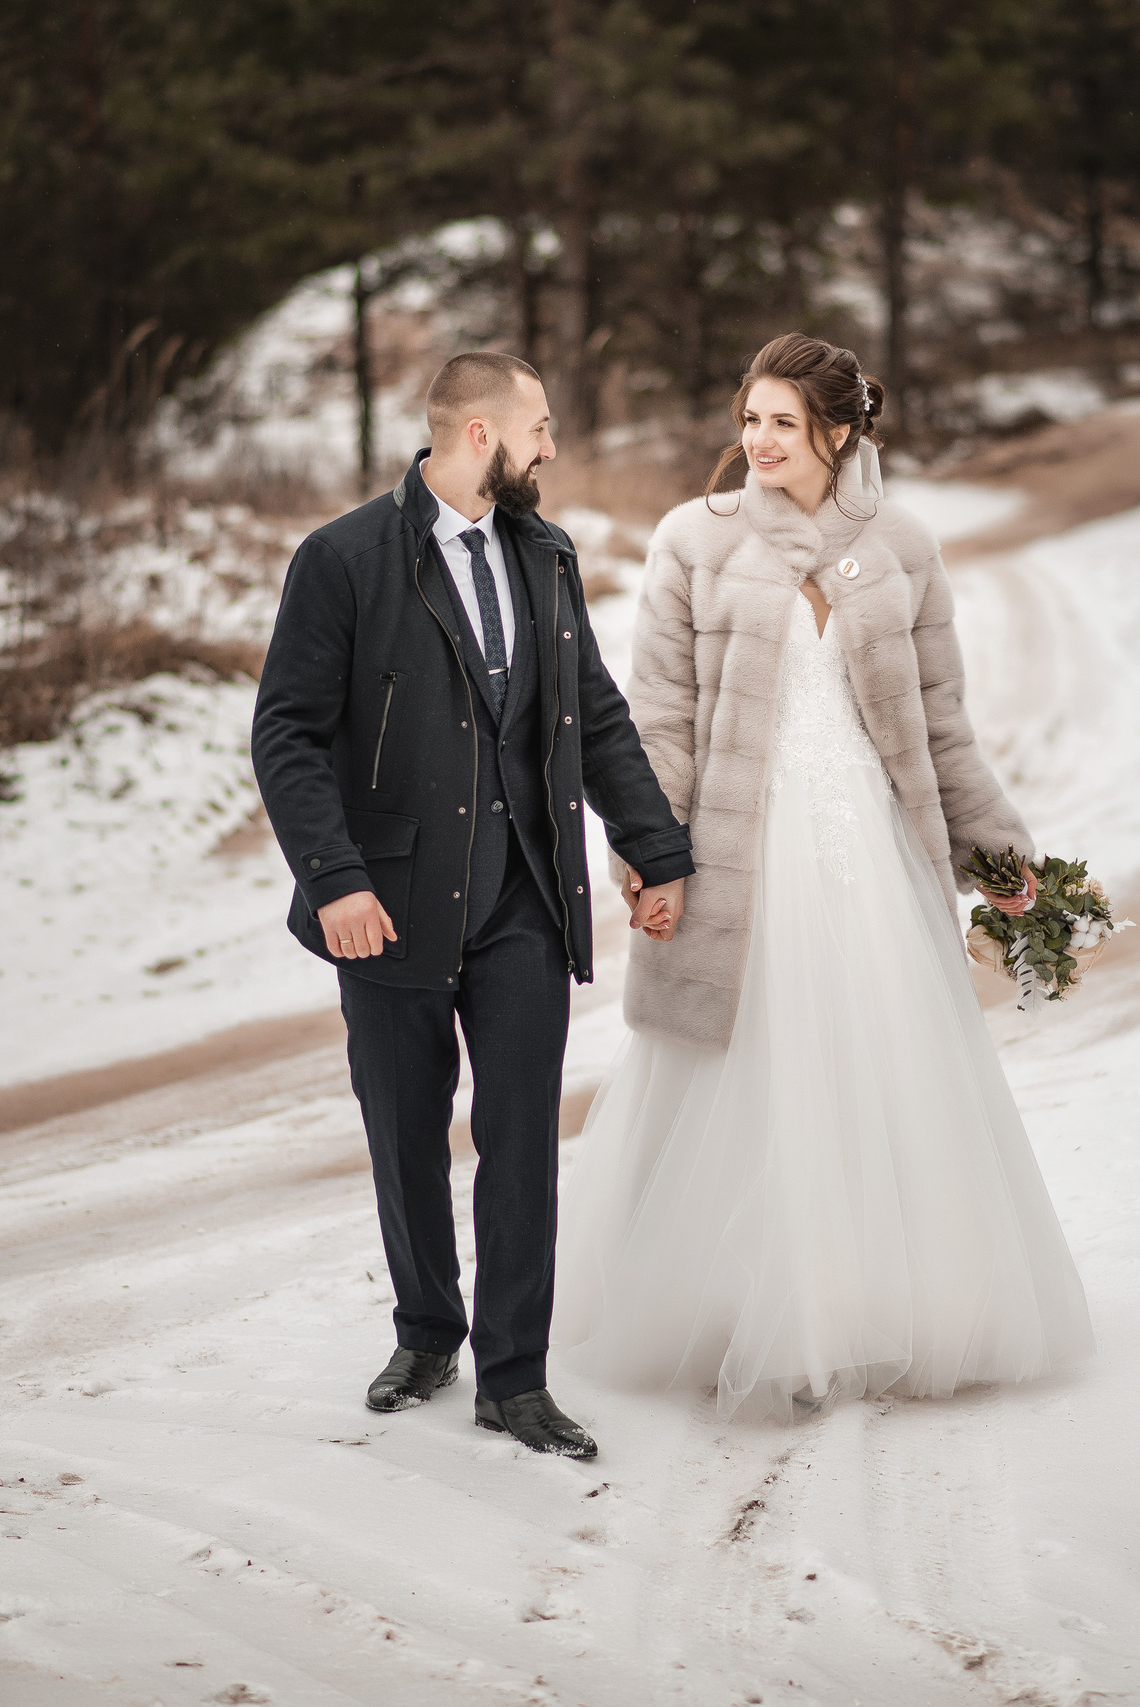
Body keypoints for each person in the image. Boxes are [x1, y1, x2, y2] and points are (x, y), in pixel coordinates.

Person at [553, 333, 1094, 1420]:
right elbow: (656, 719)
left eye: (782, 424)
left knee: (874, 1071)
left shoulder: (899, 546)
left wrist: (999, 857)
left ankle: (881, 1303)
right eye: (748, 419)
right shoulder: (689, 544)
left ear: (839, 432)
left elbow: (942, 724)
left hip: (867, 852)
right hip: (738, 852)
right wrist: (646, 858)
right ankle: (733, 1303)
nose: (756, 441)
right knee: (745, 1071)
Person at [251, 352, 693, 1459]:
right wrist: (335, 879)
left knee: (520, 1140)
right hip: (388, 904)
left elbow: (592, 716)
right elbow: (288, 734)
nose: (553, 446)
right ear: (482, 435)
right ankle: (426, 1331)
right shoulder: (344, 559)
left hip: (523, 900)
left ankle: (514, 1376)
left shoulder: (545, 554)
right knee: (405, 1134)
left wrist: (652, 848)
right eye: (539, 427)